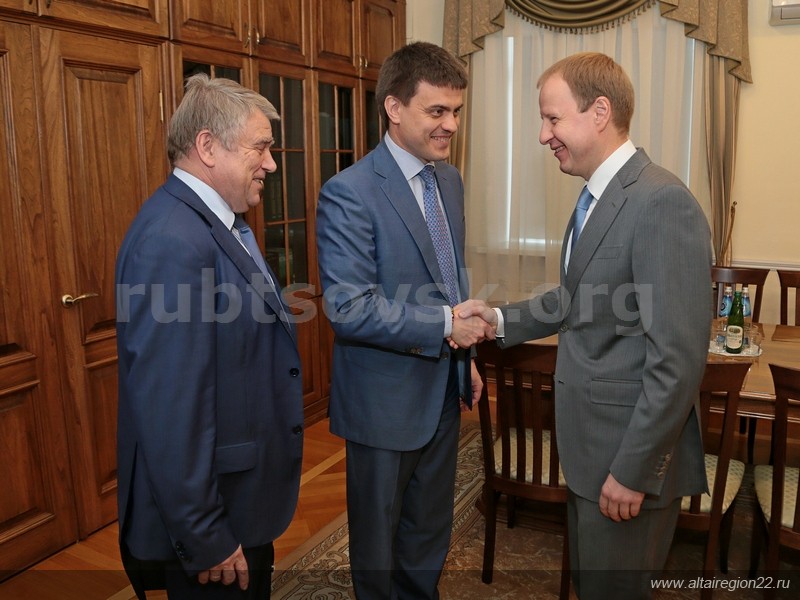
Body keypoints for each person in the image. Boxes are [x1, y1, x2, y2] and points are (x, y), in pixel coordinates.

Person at [458, 52, 711, 599]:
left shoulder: (661, 202)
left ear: (600, 112)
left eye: (552, 118)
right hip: (592, 452)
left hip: (624, 461)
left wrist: (634, 470)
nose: (542, 135)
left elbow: (678, 360)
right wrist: (497, 318)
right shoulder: (599, 195)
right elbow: (579, 299)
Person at [115, 73, 304, 600]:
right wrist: (206, 537)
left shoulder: (219, 222)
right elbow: (171, 409)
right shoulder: (173, 241)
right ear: (207, 146)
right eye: (260, 148)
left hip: (239, 497)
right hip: (213, 526)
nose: (271, 163)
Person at [315, 41, 492, 599]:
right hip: (383, 404)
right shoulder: (349, 193)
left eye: (456, 111)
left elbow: (449, 279)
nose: (451, 125)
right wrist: (445, 326)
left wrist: (465, 358)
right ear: (394, 107)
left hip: (443, 388)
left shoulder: (450, 181)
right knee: (379, 551)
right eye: (437, 110)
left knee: (427, 538)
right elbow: (349, 308)